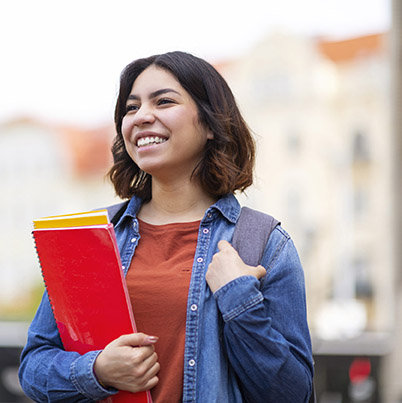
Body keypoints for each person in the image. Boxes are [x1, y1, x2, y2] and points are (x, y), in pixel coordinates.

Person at [19, 51, 314, 402]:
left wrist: (239, 298)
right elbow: (33, 368)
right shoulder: (90, 237)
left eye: (163, 101)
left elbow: (294, 393)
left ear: (209, 124)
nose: (142, 116)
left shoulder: (264, 243)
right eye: (131, 108)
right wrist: (97, 370)